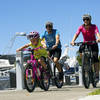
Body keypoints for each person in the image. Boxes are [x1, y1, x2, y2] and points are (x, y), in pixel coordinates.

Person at [70, 14, 100, 81]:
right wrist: (73, 41)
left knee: (95, 58)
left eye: (87, 19)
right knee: (80, 50)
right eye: (84, 19)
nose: (85, 20)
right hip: (85, 43)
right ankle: (85, 62)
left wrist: (99, 38)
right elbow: (77, 34)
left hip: (93, 43)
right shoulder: (81, 27)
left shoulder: (94, 26)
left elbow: (97, 32)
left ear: (90, 20)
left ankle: (97, 74)